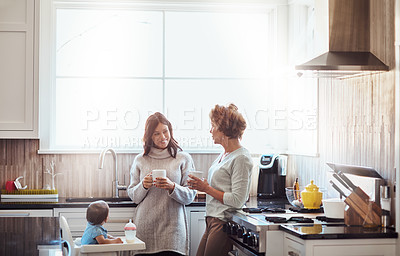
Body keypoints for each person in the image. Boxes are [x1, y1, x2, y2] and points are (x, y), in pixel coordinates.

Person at [127, 112, 197, 256]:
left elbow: (190, 196)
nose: (163, 137)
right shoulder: (141, 160)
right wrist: (143, 185)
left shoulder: (183, 158)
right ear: (150, 137)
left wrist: (172, 187)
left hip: (173, 231)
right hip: (145, 229)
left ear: (170, 130)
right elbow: (134, 196)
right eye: (156, 134)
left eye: (165, 131)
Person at [188, 103, 253, 256]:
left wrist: (206, 188)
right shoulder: (225, 154)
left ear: (224, 129)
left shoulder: (241, 158)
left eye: (213, 125)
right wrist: (202, 186)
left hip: (223, 222)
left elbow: (238, 199)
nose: (210, 130)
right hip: (212, 220)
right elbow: (221, 187)